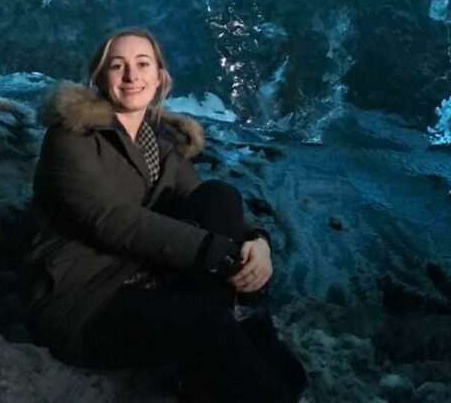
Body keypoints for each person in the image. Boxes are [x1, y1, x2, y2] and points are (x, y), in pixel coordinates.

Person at [22, 27, 306, 402]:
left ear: (159, 77)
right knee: (251, 367)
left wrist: (258, 241)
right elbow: (110, 218)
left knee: (219, 195)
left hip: (146, 276)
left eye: (143, 64)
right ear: (99, 77)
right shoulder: (72, 135)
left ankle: (217, 326)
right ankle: (215, 330)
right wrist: (217, 254)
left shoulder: (161, 139)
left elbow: (196, 196)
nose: (131, 76)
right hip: (85, 299)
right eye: (117, 65)